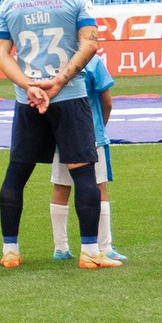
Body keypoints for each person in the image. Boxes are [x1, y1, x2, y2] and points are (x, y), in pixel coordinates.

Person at [0, 0, 118, 269]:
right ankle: (90, 252)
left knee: (17, 173)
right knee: (83, 173)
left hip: (28, 99)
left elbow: (0, 52)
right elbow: (91, 43)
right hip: (69, 95)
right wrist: (60, 80)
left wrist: (28, 85)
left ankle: (10, 251)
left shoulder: (10, 2)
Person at [48, 51, 122, 263]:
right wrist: (100, 128)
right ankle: (104, 246)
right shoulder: (93, 61)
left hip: (61, 136)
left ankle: (60, 248)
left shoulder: (53, 61)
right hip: (91, 135)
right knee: (99, 187)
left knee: (61, 188)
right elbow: (107, 102)